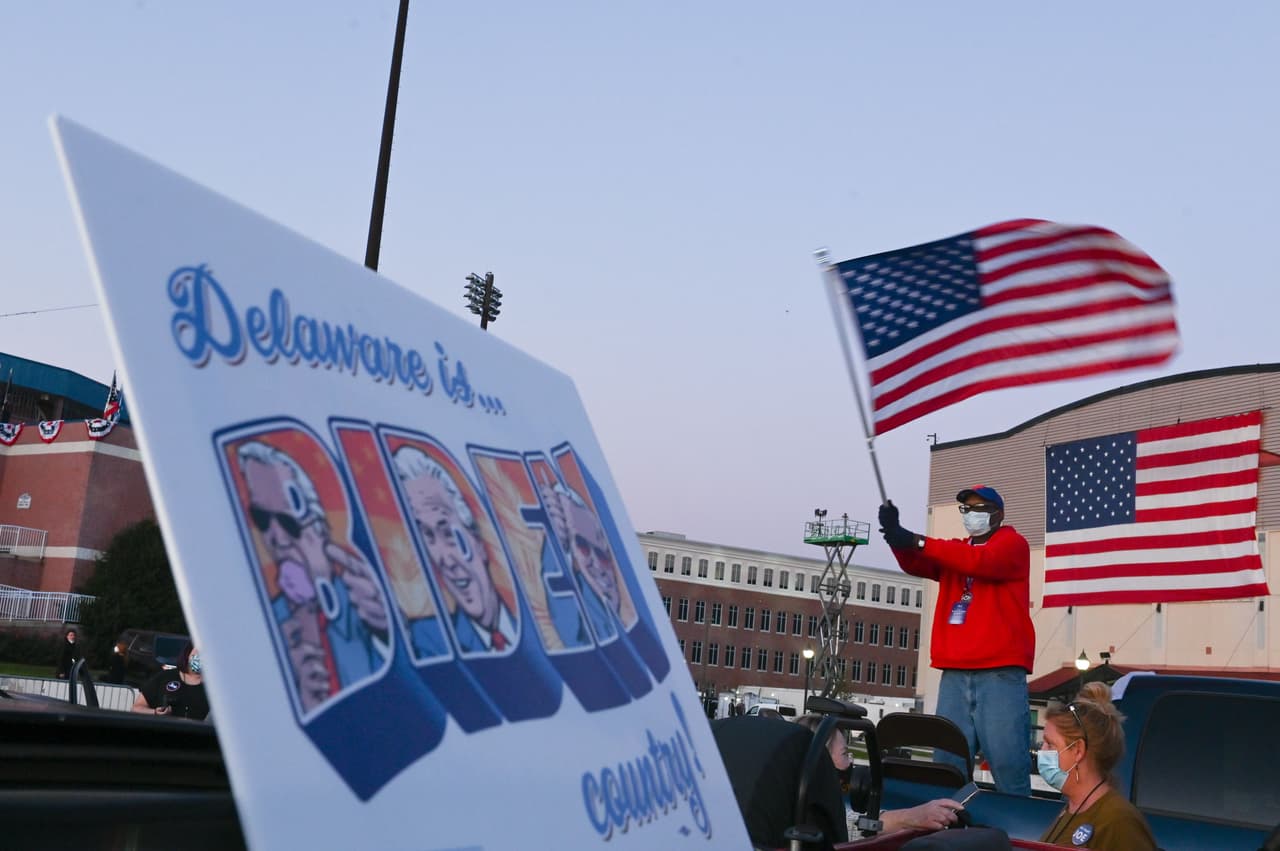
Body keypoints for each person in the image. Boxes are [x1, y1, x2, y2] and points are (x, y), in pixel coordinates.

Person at [878, 485, 1035, 796]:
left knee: (1008, 767)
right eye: (967, 509)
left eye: (980, 508)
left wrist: (915, 540)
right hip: (954, 673)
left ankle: (1017, 839)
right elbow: (917, 563)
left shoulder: (1013, 544)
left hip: (999, 673)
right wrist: (897, 540)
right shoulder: (956, 550)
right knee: (946, 769)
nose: (972, 514)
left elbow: (979, 562)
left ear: (998, 514)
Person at [237, 440, 390, 712]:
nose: (276, 538)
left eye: (288, 522)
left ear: (320, 528)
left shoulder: (365, 608)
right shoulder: (262, 625)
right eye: (261, 518)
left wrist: (387, 634)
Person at [392, 445, 517, 654]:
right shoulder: (427, 642)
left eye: (449, 534)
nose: (445, 560)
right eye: (428, 537)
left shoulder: (539, 624)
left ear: (478, 541)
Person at [794, 714, 963, 835]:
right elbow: (851, 823)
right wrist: (914, 817)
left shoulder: (780, 802)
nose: (851, 762)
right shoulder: (808, 816)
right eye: (845, 754)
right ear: (821, 761)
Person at [1037, 683, 1156, 850]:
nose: (1041, 751)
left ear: (1078, 750)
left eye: (1050, 744)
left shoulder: (1118, 820)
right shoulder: (1073, 809)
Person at [131, 644, 209, 720]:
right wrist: (155, 712)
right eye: (197, 654)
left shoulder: (214, 687)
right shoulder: (166, 676)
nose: (201, 659)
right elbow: (136, 708)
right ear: (187, 655)